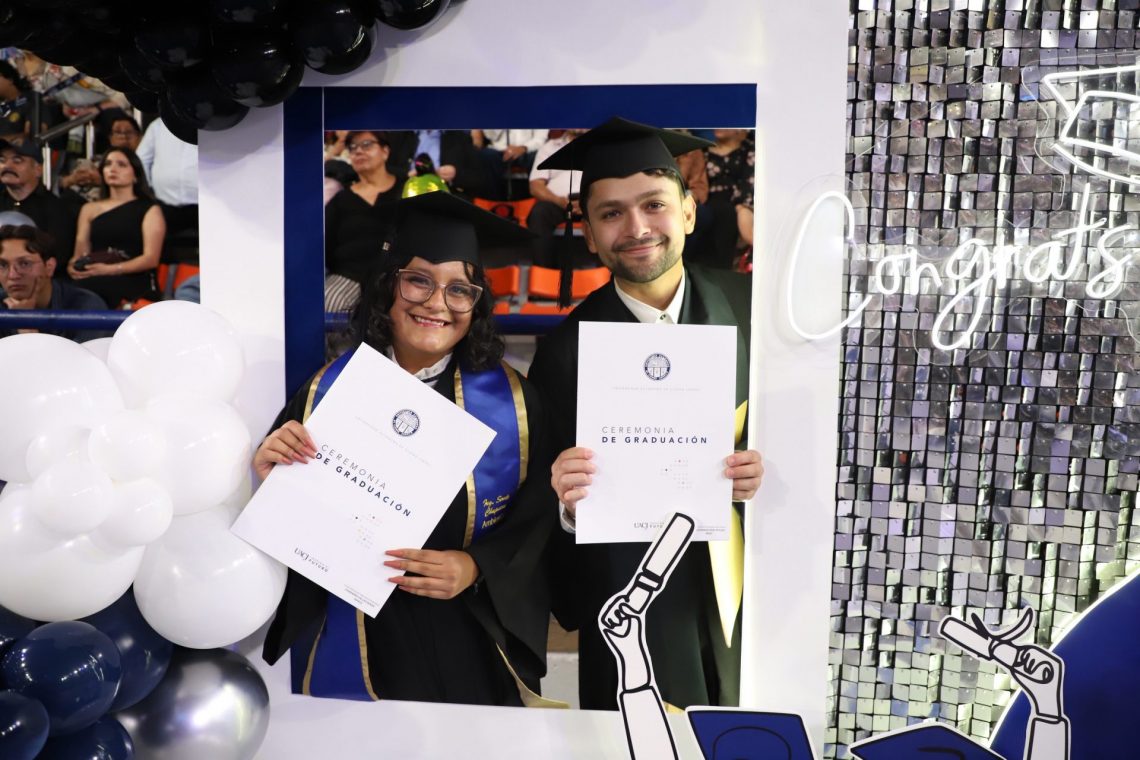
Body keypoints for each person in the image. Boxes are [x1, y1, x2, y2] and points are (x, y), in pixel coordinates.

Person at [259, 191, 558, 707]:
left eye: (459, 289)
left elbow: (537, 515)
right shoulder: (327, 393)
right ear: (387, 287)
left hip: (470, 628)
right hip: (361, 623)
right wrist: (272, 476)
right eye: (418, 280)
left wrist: (475, 567)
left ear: (476, 304)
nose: (437, 303)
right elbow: (293, 522)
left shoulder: (517, 403)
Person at [526, 117, 764, 711]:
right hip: (632, 602)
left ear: (689, 211)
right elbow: (539, 518)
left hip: (757, 598)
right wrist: (568, 509)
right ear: (589, 234)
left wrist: (770, 475)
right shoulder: (563, 354)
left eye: (654, 204)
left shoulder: (757, 316)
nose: (636, 228)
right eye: (611, 213)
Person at [67, 147, 165, 308]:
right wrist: (73, 266)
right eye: (108, 164)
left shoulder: (150, 209)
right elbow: (80, 253)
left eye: (121, 165)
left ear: (135, 175)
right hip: (94, 274)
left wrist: (110, 269)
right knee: (72, 291)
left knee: (89, 291)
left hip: (132, 278)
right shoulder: (89, 209)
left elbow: (150, 259)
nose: (113, 169)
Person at [324, 131, 405, 313]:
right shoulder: (341, 199)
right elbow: (327, 247)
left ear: (385, 151)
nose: (358, 151)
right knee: (328, 302)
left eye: (366, 145)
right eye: (353, 148)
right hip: (350, 276)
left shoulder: (407, 188)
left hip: (398, 276)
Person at [0, 223, 109, 341]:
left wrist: (26, 325)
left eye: (24, 263)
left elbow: (82, 353)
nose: (12, 275)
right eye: (2, 265)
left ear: (49, 266)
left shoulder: (86, 306)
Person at [0, 138, 76, 270]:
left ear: (38, 170)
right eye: (2, 160)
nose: (7, 166)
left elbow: (59, 256)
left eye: (17, 160)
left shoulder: (57, 208)